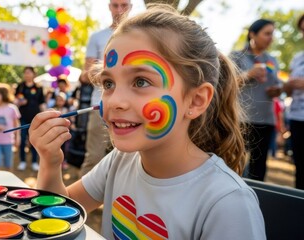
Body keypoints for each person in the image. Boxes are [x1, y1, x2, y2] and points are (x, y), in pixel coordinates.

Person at [29, 5, 265, 239]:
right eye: (109, 84)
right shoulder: (119, 162)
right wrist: (50, 161)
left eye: (141, 82)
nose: (114, 101)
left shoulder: (227, 204)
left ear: (195, 101)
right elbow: (56, 217)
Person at [80, 0, 132, 176]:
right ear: (109, 7)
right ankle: (82, 203)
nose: (119, 10)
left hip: (134, 107)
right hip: (100, 105)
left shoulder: (142, 36)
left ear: (130, 6)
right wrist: (111, 72)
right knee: (94, 158)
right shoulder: (97, 37)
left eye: (124, 5)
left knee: (131, 162)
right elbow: (85, 75)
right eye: (115, 5)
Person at [230, 19, 282, 182]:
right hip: (241, 119)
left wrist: (277, 90)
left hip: (266, 120)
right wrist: (248, 74)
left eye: (272, 34)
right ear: (252, 34)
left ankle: (256, 200)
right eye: (267, 33)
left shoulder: (272, 60)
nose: (270, 38)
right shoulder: (237, 56)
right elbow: (226, 84)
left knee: (259, 168)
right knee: (233, 163)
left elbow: (276, 84)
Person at [284, 14, 304, 190]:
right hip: (297, 117)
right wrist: (289, 86)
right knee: (299, 166)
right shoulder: (297, 58)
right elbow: (289, 90)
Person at [15, 66, 45, 171]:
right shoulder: (20, 86)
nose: (27, 74)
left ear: (33, 74)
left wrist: (45, 115)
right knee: (22, 140)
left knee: (34, 140)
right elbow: (16, 100)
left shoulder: (39, 87)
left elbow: (42, 103)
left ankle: (34, 162)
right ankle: (22, 161)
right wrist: (19, 102)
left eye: (29, 72)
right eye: (25, 72)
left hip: (35, 118)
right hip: (22, 117)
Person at [0, 83, 21, 170]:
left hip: (8, 141)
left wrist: (18, 138)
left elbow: (16, 125)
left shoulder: (12, 109)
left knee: (8, 166)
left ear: (4, 95)